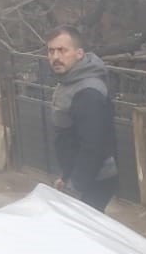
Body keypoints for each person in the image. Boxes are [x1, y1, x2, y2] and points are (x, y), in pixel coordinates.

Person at [45, 26, 118, 211]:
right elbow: (70, 139)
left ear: (79, 54)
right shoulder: (69, 81)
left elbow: (92, 147)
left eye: (62, 50)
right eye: (51, 51)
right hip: (81, 177)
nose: (55, 57)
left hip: (94, 179)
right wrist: (66, 176)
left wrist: (75, 186)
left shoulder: (88, 92)